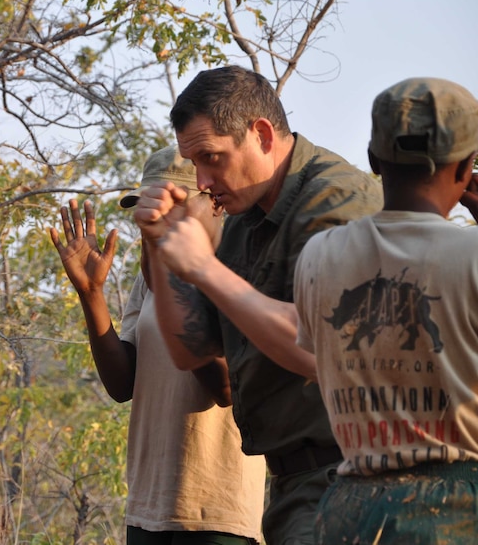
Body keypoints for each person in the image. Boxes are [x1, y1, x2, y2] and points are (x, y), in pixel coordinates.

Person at [132, 66, 383, 544]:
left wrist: (204, 268)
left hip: (356, 477)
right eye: (194, 163)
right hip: (299, 481)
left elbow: (320, 349)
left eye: (212, 158)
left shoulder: (337, 202)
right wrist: (165, 251)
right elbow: (193, 350)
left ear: (262, 135)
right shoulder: (249, 216)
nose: (202, 181)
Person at [294, 78, 478, 544]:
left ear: (373, 160)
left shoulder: (319, 255)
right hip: (468, 510)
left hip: (351, 511)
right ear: (469, 165)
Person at [50, 146, 265, 545]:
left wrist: (178, 286)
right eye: (148, 205)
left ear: (213, 202)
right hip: (149, 508)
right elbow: (122, 384)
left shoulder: (238, 271)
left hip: (215, 514)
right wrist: (91, 293)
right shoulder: (151, 275)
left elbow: (226, 389)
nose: (153, 217)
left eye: (170, 205)